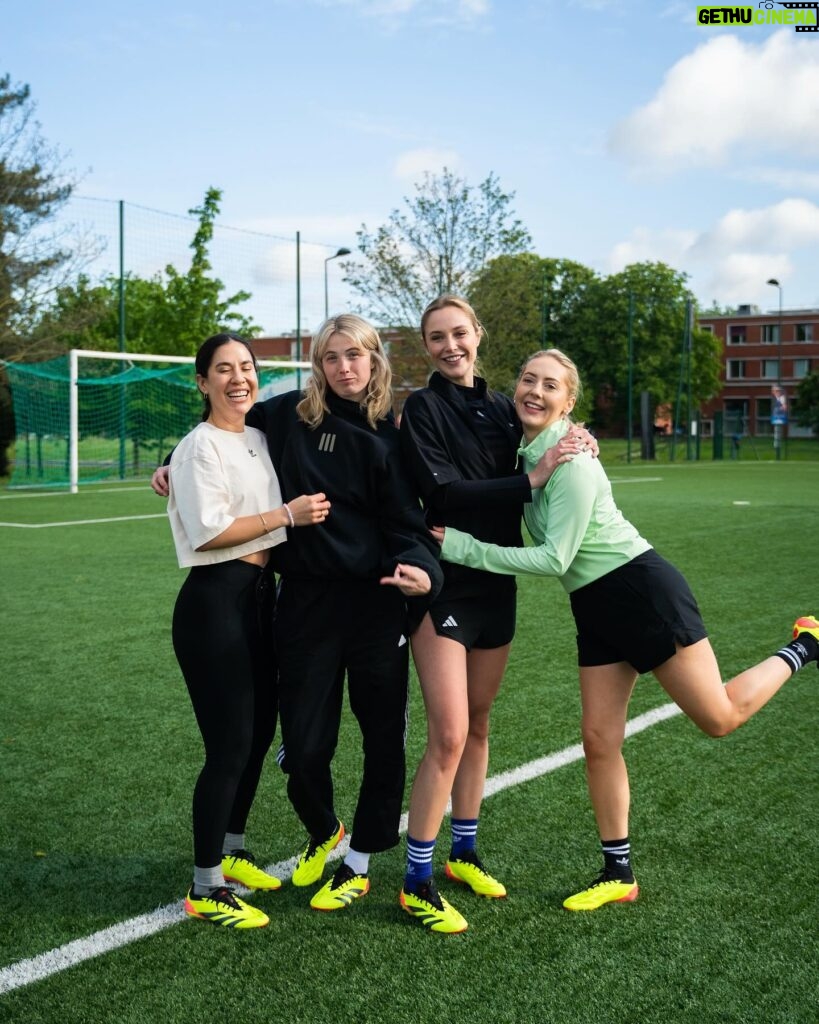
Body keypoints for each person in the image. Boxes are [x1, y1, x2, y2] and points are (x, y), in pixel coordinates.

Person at [434, 347, 819, 912]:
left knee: (719, 718)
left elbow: (555, 559)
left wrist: (462, 547)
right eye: (527, 380)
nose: (534, 392)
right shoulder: (526, 451)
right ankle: (619, 870)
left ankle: (805, 643)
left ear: (569, 403)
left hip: (641, 593)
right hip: (595, 609)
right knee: (599, 741)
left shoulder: (575, 464)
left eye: (550, 386)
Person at [155, 315, 443, 914]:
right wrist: (168, 462)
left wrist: (426, 573)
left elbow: (408, 525)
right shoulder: (287, 415)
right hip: (304, 604)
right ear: (318, 363)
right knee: (303, 748)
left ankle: (360, 862)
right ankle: (323, 829)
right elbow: (219, 430)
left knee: (382, 738)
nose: (345, 367)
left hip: (375, 607)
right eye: (333, 356)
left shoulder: (393, 435)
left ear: (375, 362)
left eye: (356, 356)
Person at [397, 295, 597, 934]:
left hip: (497, 585)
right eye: (436, 338)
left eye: (459, 333)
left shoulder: (505, 409)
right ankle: (416, 880)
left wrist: (576, 437)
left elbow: (550, 427)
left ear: (478, 335)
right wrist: (534, 477)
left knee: (479, 726)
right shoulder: (423, 408)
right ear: (426, 346)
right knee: (449, 734)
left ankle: (463, 853)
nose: (450, 346)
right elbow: (443, 493)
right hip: (445, 585)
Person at [167, 333, 330, 929]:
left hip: (262, 601)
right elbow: (209, 532)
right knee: (229, 745)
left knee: (259, 735)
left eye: (246, 367)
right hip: (215, 605)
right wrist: (286, 515)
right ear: (202, 382)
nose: (239, 378)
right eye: (223, 370)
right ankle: (205, 885)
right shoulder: (196, 447)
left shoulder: (260, 436)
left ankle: (232, 851)